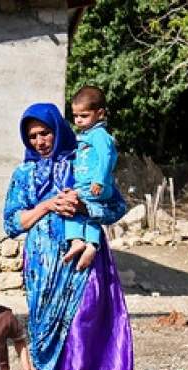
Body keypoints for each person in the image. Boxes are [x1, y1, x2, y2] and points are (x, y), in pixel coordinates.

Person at [3, 103, 134, 370]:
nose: (39, 141)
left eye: (44, 133)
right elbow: (11, 222)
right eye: (32, 137)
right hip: (43, 267)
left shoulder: (82, 160)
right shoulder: (23, 175)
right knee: (47, 331)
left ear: (58, 129)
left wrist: (81, 205)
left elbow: (116, 206)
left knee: (79, 329)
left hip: (83, 264)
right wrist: (47, 205)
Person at [62, 85, 119, 271]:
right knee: (90, 216)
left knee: (71, 204)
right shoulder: (87, 135)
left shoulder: (99, 135)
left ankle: (77, 240)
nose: (78, 120)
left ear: (100, 113)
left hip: (94, 185)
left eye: (84, 116)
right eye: (75, 116)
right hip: (89, 184)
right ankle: (92, 245)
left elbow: (107, 157)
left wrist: (99, 180)